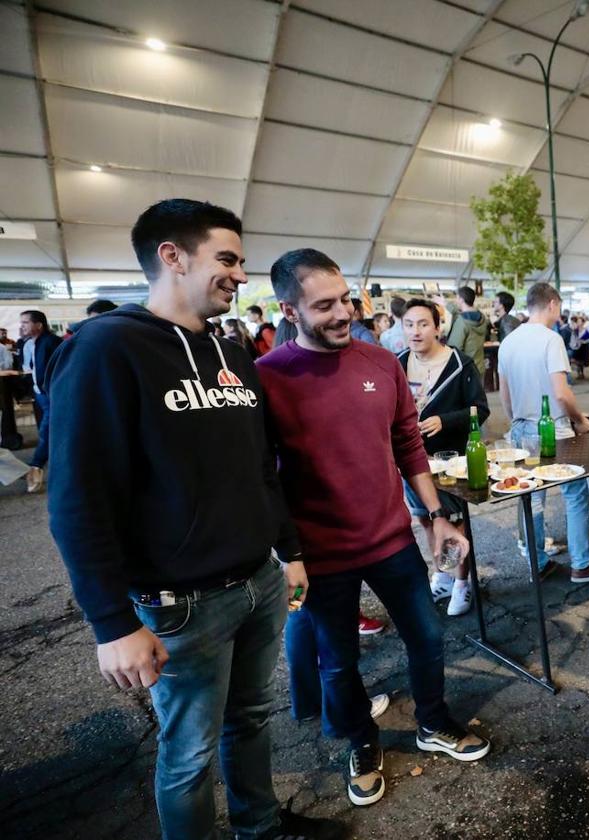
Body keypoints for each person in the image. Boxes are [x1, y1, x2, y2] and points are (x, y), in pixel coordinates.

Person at [44, 199, 343, 840]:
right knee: (188, 756)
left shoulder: (230, 354)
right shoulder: (106, 348)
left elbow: (261, 466)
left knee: (252, 719)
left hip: (258, 582)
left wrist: (287, 552)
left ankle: (259, 827)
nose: (240, 274)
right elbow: (77, 498)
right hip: (181, 604)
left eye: (241, 261)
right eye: (227, 259)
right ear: (172, 256)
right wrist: (112, 623)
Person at [258, 249, 489, 809]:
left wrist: (436, 517)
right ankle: (361, 742)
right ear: (288, 309)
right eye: (324, 306)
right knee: (338, 663)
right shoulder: (266, 378)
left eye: (346, 299)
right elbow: (259, 474)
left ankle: (432, 722)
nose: (343, 313)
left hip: (391, 540)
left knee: (428, 639)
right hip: (319, 555)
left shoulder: (382, 363)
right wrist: (286, 555)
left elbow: (407, 444)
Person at [498, 283, 589, 583]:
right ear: (552, 304)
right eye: (558, 307)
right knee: (575, 494)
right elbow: (561, 394)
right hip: (554, 428)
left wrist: (518, 423)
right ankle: (581, 564)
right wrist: (580, 421)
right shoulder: (551, 340)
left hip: (521, 428)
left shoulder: (508, 342)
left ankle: (538, 562)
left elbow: (505, 395)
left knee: (532, 497)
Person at [398, 298, 489, 616]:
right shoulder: (397, 363)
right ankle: (444, 575)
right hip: (412, 461)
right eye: (409, 324)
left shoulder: (460, 364)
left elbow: (481, 408)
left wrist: (445, 420)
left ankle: (463, 584)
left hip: (453, 461)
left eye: (423, 324)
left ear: (437, 328)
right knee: (425, 519)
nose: (416, 331)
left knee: (455, 522)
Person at [18, 310, 63, 494]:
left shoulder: (51, 342)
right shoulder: (31, 343)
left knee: (47, 429)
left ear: (39, 325)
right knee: (53, 430)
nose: (22, 326)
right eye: (21, 322)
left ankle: (35, 467)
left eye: (26, 322)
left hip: (53, 393)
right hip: (41, 394)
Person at [445, 285, 488, 375]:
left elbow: (455, 348)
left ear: (461, 299)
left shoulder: (461, 322)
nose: (456, 301)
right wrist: (445, 304)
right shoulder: (483, 318)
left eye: (457, 298)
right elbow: (462, 313)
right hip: (479, 366)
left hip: (465, 370)